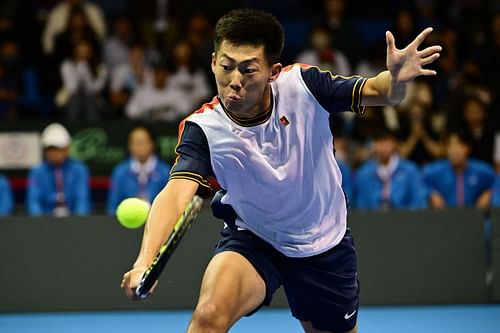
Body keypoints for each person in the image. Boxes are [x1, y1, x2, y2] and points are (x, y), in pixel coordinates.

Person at [121, 9, 441, 333]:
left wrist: (398, 81)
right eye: (226, 66)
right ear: (213, 60)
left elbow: (380, 91)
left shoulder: (304, 87)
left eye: (248, 70)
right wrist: (143, 262)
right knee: (208, 316)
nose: (234, 81)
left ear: (273, 70)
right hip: (256, 237)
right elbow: (176, 195)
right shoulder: (203, 129)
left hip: (322, 242)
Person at [26, 123, 91, 216]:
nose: (54, 153)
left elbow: (82, 200)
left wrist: (78, 223)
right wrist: (40, 224)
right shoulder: (37, 172)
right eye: (50, 149)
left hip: (74, 222)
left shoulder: (79, 170)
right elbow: (33, 202)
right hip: (45, 223)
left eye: (58, 149)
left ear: (67, 149)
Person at [353, 129, 427, 210]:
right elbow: (361, 204)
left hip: (404, 218)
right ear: (373, 145)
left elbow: (418, 201)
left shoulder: (410, 170)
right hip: (373, 219)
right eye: (379, 142)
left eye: (387, 142)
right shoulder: (364, 173)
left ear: (395, 144)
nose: (383, 147)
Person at [106, 125, 171, 215]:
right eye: (135, 142)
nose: (139, 146)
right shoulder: (120, 171)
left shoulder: (165, 171)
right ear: (129, 146)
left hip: (158, 223)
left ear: (152, 144)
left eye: (143, 142)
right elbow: (113, 205)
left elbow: (170, 204)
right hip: (127, 223)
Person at [422, 131, 496, 209]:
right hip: (444, 217)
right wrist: (431, 193)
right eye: (451, 146)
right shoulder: (434, 171)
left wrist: (489, 193)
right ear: (446, 149)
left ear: (468, 148)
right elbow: (420, 185)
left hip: (474, 217)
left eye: (460, 146)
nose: (455, 151)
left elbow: (496, 183)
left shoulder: (482, 170)